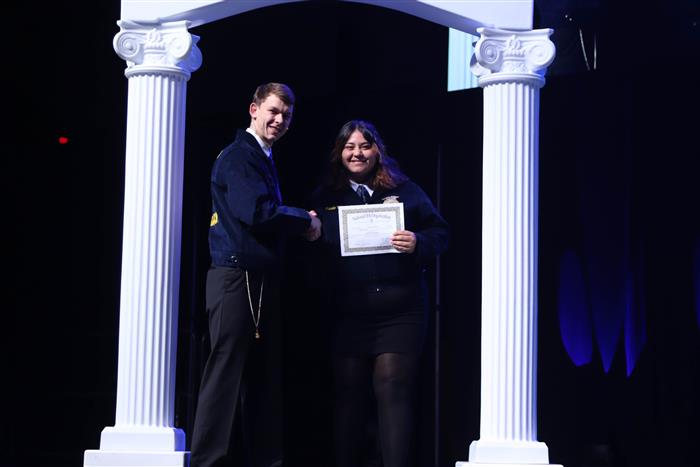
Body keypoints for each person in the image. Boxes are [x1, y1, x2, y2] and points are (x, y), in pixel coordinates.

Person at [190, 82, 321, 467]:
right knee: (226, 371)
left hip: (255, 277)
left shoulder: (259, 155)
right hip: (237, 277)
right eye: (273, 111)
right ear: (254, 109)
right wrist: (305, 221)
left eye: (286, 115)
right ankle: (207, 461)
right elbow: (256, 212)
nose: (280, 120)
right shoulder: (239, 155)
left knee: (262, 378)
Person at [307, 120, 449, 467]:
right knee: (349, 396)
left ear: (377, 151)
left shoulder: (405, 190)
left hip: (400, 311)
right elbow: (310, 252)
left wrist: (418, 241)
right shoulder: (325, 197)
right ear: (339, 153)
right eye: (349, 147)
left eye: (365, 146)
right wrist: (309, 231)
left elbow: (440, 233)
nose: (357, 153)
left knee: (392, 388)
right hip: (348, 312)